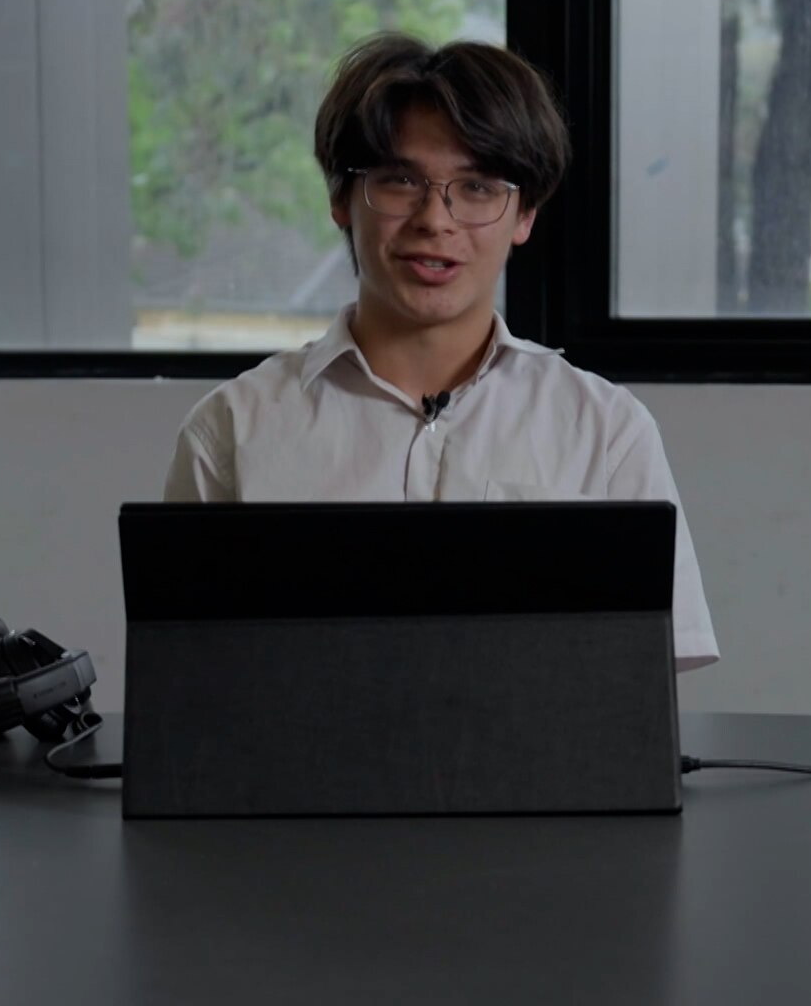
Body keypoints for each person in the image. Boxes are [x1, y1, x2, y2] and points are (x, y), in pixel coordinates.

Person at [162, 33, 718, 671]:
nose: (436, 219)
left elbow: (640, 684)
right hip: (302, 763)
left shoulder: (606, 429)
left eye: (478, 187)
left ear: (524, 214)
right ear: (342, 198)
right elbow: (191, 681)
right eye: (401, 180)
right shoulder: (231, 431)